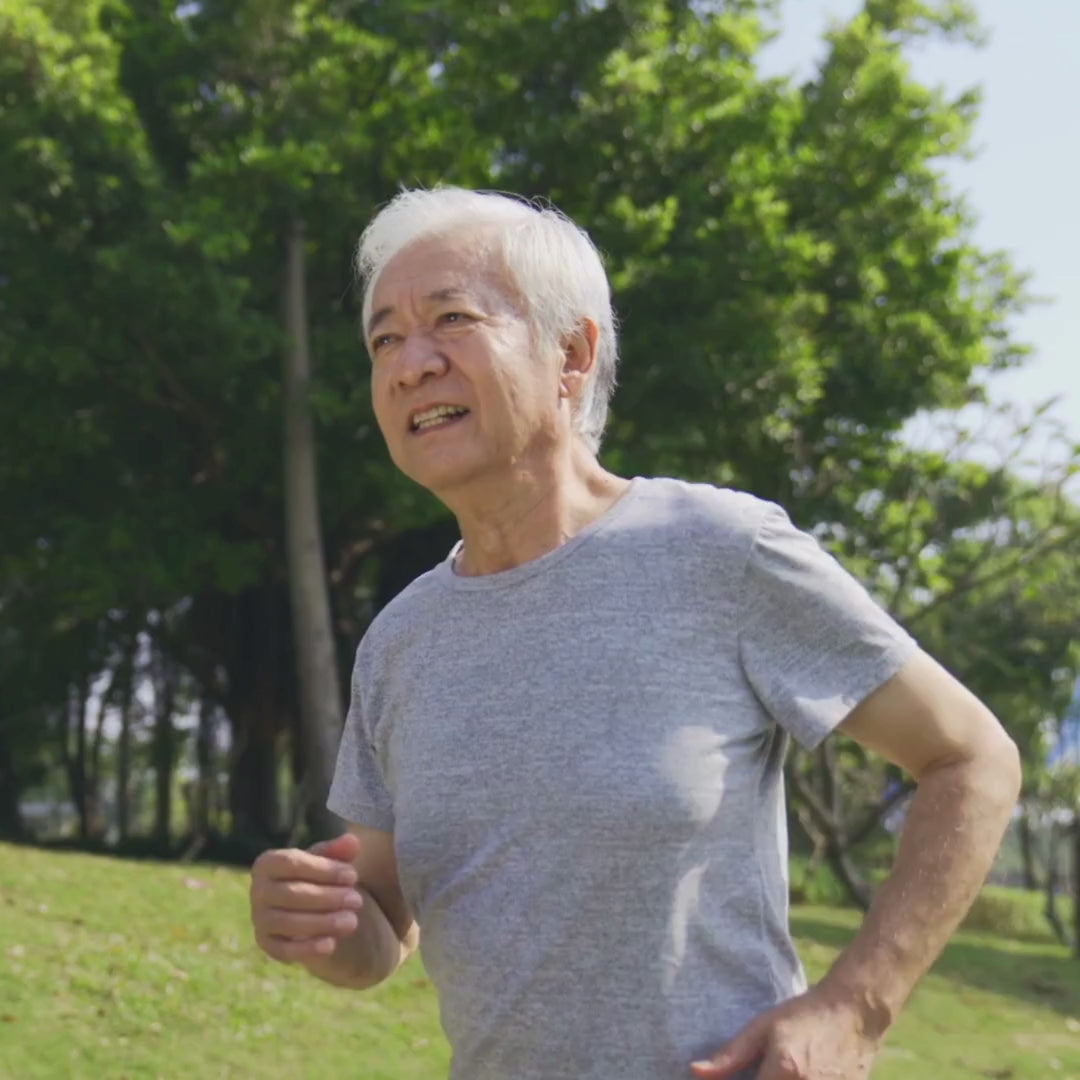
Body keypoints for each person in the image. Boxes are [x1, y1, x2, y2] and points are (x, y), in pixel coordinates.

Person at [249, 187, 1021, 1080]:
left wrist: (857, 1006)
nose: (410, 365)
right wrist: (321, 923)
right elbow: (386, 921)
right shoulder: (399, 643)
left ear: (572, 354)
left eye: (451, 319)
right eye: (384, 340)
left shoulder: (720, 552)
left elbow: (973, 759)